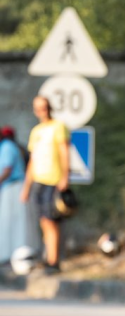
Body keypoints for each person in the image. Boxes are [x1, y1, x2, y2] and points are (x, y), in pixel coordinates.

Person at [19, 96, 69, 273]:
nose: (42, 111)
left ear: (50, 108)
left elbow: (64, 152)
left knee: (51, 221)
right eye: (39, 108)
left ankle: (54, 260)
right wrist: (26, 187)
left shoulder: (58, 127)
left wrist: (65, 176)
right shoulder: (36, 131)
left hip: (53, 180)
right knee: (43, 221)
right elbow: (32, 161)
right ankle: (49, 258)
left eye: (45, 107)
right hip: (38, 181)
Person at [0, 126, 35, 264]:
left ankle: (13, 254)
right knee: (15, 222)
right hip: (13, 187)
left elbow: (7, 169)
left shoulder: (7, 146)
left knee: (11, 222)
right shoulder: (14, 146)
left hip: (13, 187)